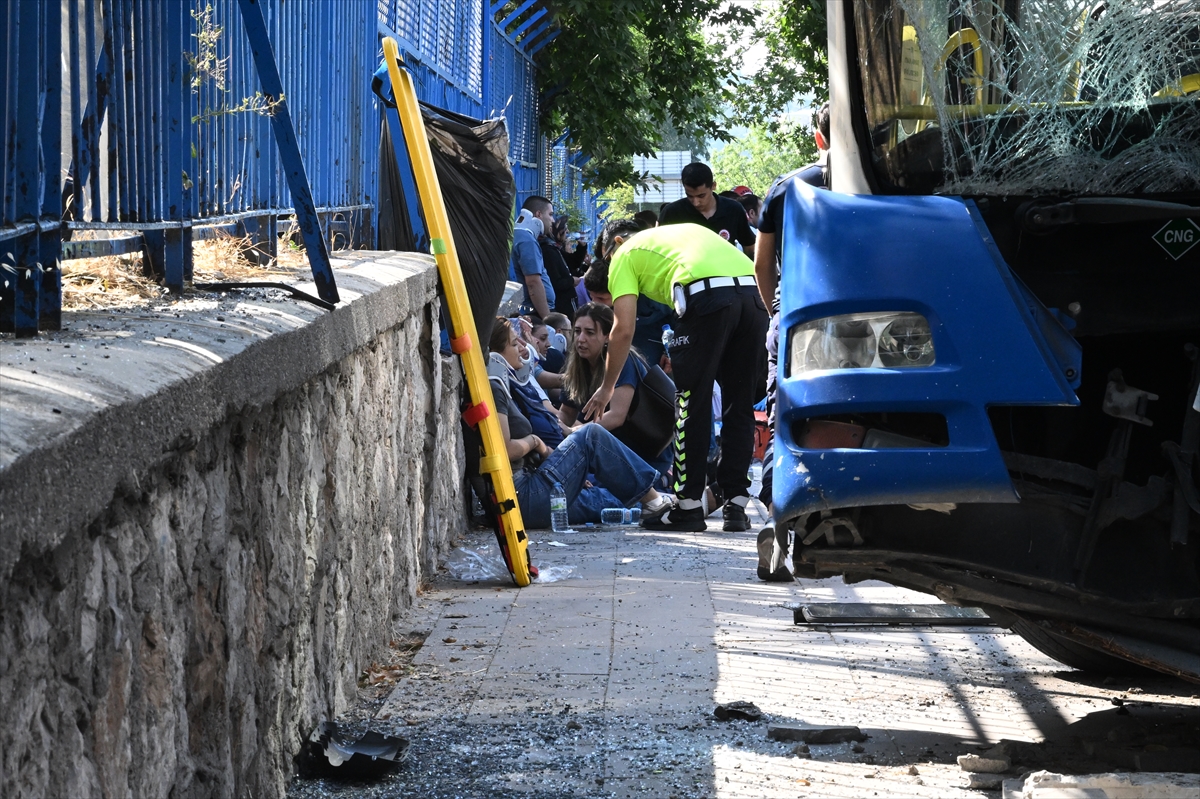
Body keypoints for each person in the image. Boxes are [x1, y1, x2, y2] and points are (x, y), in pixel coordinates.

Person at [582, 220, 768, 533]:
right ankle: (736, 503)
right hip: (752, 297)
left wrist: (606, 387)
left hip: (706, 298)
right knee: (739, 402)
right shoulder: (680, 234)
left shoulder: (624, 255)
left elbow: (623, 329)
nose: (610, 270)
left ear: (615, 242)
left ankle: (688, 507)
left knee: (690, 404)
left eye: (607, 258)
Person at [487, 318, 671, 527]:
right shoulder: (495, 388)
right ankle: (662, 501)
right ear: (495, 354)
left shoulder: (507, 385)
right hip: (525, 498)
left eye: (590, 332)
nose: (521, 347)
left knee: (608, 500)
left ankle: (671, 503)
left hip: (533, 490)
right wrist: (535, 441)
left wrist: (567, 466)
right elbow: (506, 450)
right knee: (591, 436)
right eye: (513, 344)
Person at [753, 100, 831, 581]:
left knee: (784, 417)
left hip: (796, 320)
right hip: (867, 322)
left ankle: (777, 523)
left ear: (818, 137)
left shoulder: (787, 187)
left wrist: (777, 312)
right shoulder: (885, 182)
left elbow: (762, 264)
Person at [559, 303, 673, 480]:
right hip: (602, 450)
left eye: (590, 333)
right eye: (577, 331)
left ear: (607, 337)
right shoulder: (576, 364)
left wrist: (573, 432)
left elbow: (617, 416)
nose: (581, 339)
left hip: (640, 454)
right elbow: (567, 411)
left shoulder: (623, 361)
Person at [658, 163, 756, 259]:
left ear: (713, 186)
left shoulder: (733, 209)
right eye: (690, 196)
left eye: (701, 196)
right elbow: (660, 250)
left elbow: (750, 249)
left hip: (724, 273)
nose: (696, 202)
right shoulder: (672, 213)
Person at [511, 196, 557, 318]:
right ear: (538, 214)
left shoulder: (515, 235)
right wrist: (547, 319)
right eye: (550, 214)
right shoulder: (527, 241)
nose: (552, 220)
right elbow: (533, 282)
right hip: (532, 313)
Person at [540, 216, 579, 319]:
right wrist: (571, 281)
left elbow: (573, 262)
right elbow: (556, 282)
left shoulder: (554, 248)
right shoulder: (549, 251)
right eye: (565, 231)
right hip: (563, 302)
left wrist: (582, 247)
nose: (568, 233)